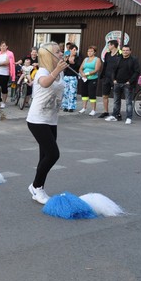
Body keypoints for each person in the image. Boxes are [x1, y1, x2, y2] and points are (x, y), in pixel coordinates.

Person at [26, 42, 68, 204]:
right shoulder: (42, 71)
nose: (61, 54)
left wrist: (59, 70)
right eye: (57, 52)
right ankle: (36, 186)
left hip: (51, 119)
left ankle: (39, 188)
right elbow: (44, 83)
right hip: (37, 119)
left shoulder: (60, 71)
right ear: (48, 55)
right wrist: (57, 70)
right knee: (53, 154)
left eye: (60, 51)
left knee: (44, 156)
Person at [105, 45, 140, 124]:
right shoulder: (118, 58)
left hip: (128, 84)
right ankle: (115, 115)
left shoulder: (134, 60)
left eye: (127, 50)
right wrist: (114, 80)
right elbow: (113, 70)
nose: (125, 52)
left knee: (128, 102)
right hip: (117, 83)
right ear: (122, 51)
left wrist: (130, 81)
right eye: (124, 50)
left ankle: (129, 117)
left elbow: (137, 72)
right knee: (116, 101)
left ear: (130, 51)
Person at [97, 40, 121, 119]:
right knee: (104, 95)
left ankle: (116, 112)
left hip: (115, 78)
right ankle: (105, 111)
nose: (108, 47)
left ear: (113, 45)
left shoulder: (120, 55)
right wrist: (103, 75)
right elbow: (105, 65)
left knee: (116, 96)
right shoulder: (107, 54)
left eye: (109, 45)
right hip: (106, 77)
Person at [78, 46, 101, 116]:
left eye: (91, 51)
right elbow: (80, 68)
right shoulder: (85, 59)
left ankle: (93, 110)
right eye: (88, 51)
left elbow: (96, 69)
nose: (89, 52)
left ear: (94, 52)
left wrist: (87, 74)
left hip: (93, 79)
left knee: (92, 94)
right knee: (84, 93)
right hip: (84, 79)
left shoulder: (97, 59)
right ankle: (84, 108)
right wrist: (82, 74)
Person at [0, 40, 16, 108]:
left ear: (6, 47)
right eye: (1, 46)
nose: (2, 47)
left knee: (4, 88)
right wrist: (0, 63)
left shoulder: (9, 53)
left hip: (5, 73)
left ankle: (3, 102)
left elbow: (7, 62)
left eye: (4, 46)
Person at [60, 43, 80, 112]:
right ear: (70, 50)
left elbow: (78, 66)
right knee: (65, 91)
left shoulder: (77, 58)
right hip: (66, 76)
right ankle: (65, 106)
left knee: (72, 91)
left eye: (76, 50)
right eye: (74, 50)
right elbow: (63, 66)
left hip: (73, 76)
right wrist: (66, 62)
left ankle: (71, 107)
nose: (75, 51)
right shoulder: (66, 57)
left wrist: (73, 63)